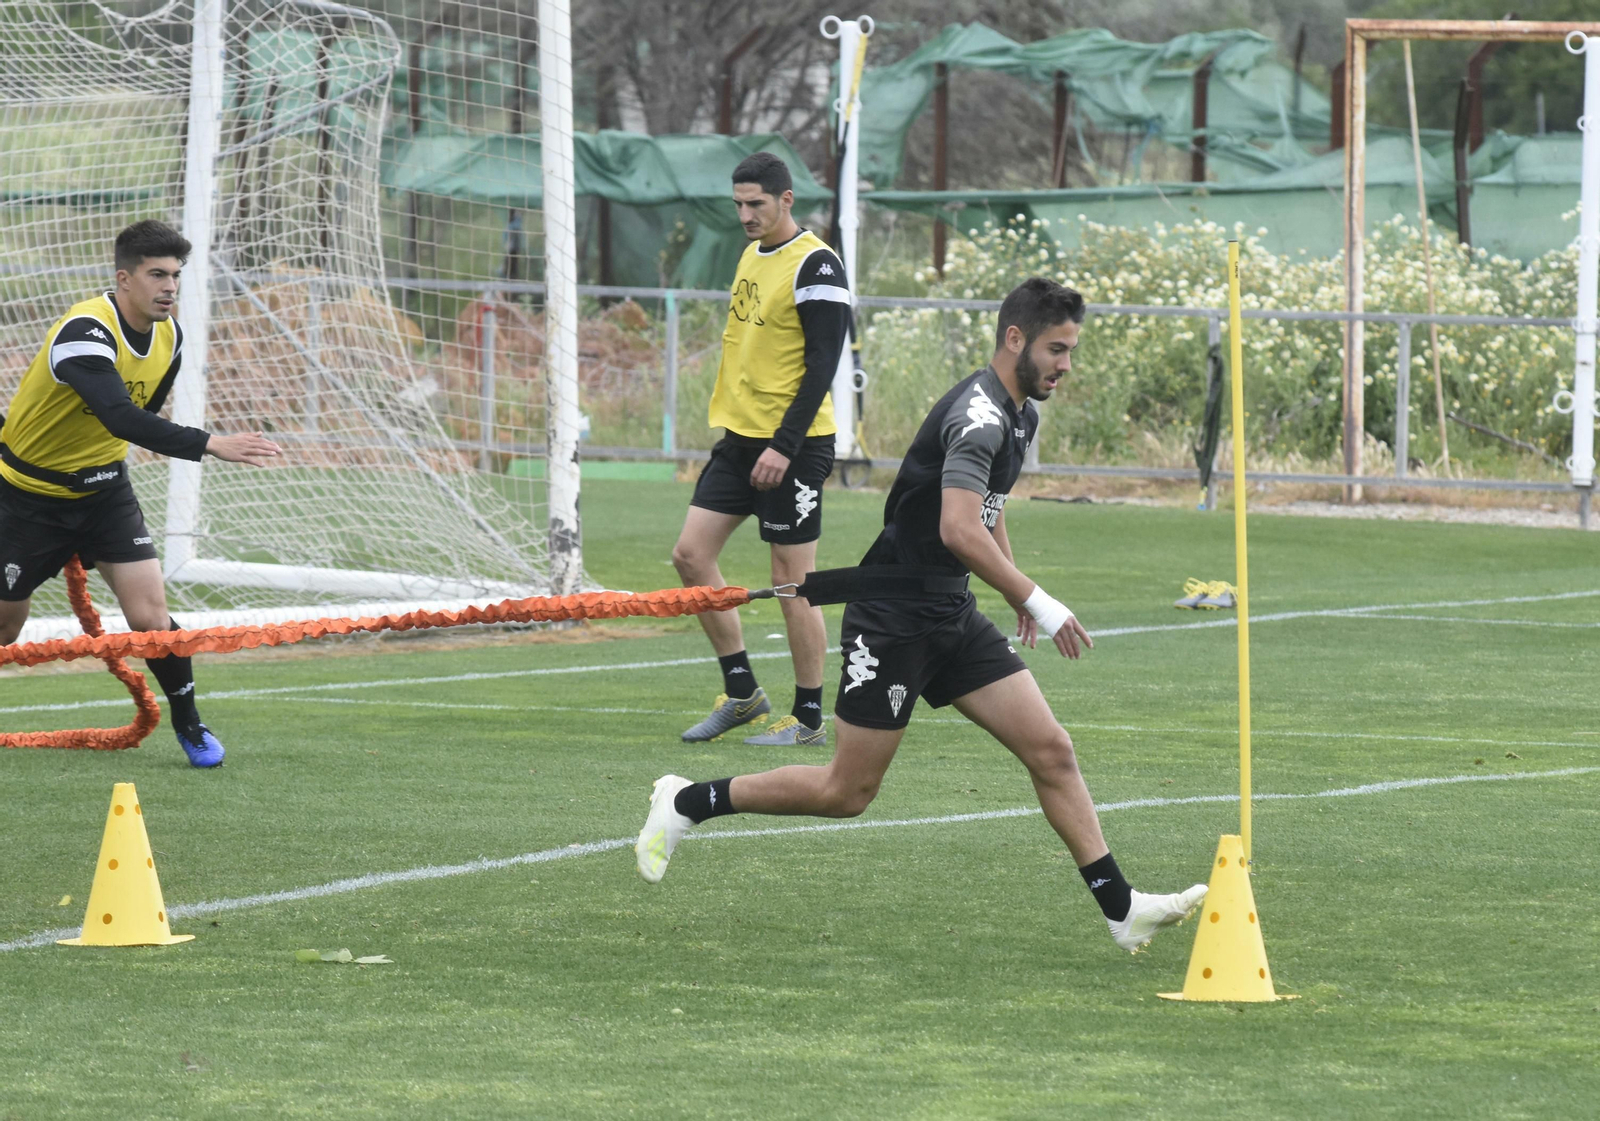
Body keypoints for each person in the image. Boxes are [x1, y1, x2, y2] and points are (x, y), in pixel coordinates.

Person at [637, 277, 1206, 953]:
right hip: (892, 619)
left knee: (1051, 749)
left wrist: (1011, 585)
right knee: (846, 790)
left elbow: (987, 512)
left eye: (1072, 350)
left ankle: (1122, 910)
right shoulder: (981, 417)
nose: (1066, 364)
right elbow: (959, 528)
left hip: (950, 612)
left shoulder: (1020, 412)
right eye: (1057, 348)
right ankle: (685, 802)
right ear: (1015, 339)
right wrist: (1034, 598)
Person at [0, 220, 281, 767]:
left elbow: (134, 422)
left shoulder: (170, 336)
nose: (169, 286)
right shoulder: (86, 331)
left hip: (105, 494)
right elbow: (120, 416)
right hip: (28, 499)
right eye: (157, 274)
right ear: (123, 277)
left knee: (152, 617)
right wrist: (211, 443)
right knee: (6, 627)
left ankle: (191, 724)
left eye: (176, 275)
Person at [671, 152, 850, 748]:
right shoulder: (752, 254)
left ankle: (807, 719)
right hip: (739, 442)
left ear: (786, 200)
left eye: (757, 204)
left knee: (790, 580)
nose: (746, 215)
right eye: (739, 204)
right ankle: (743, 692)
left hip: (792, 448)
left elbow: (824, 367)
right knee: (691, 557)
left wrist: (784, 444)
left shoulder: (817, 266)